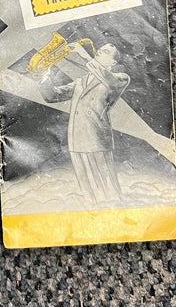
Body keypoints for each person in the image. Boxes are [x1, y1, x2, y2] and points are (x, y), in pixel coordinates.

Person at [37, 43, 129, 206]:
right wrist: (44, 77)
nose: (98, 52)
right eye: (99, 50)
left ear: (113, 62)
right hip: (76, 137)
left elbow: (108, 79)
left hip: (96, 137)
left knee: (106, 184)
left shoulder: (120, 78)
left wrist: (84, 55)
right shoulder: (81, 81)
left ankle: (115, 209)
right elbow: (52, 96)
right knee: (86, 186)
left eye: (105, 52)